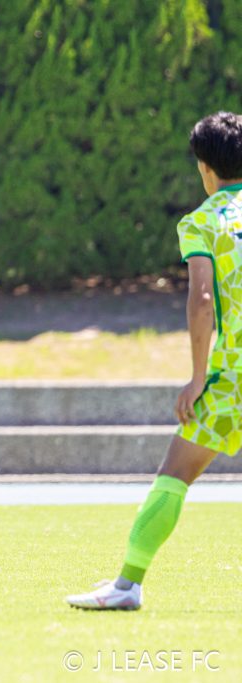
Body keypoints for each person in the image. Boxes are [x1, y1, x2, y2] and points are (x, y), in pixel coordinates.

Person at [66, 111, 242, 610]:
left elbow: (202, 300)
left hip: (233, 375)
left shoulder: (202, 221)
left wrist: (197, 377)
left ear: (205, 167)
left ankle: (127, 585)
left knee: (175, 475)